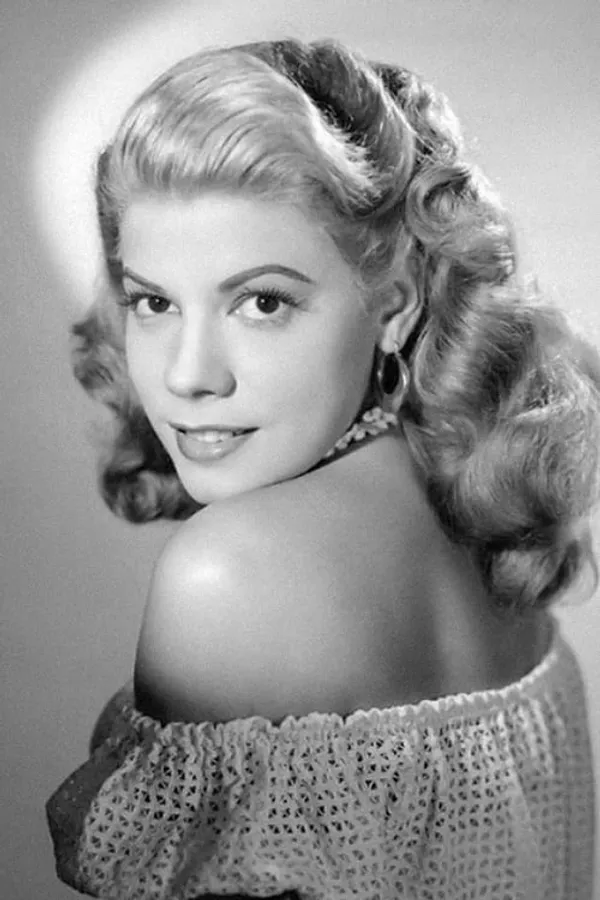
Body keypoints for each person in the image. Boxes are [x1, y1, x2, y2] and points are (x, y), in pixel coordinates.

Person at [45, 37, 600, 899]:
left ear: (395, 303)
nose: (190, 375)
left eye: (262, 302)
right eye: (153, 301)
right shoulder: (487, 507)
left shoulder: (228, 574)